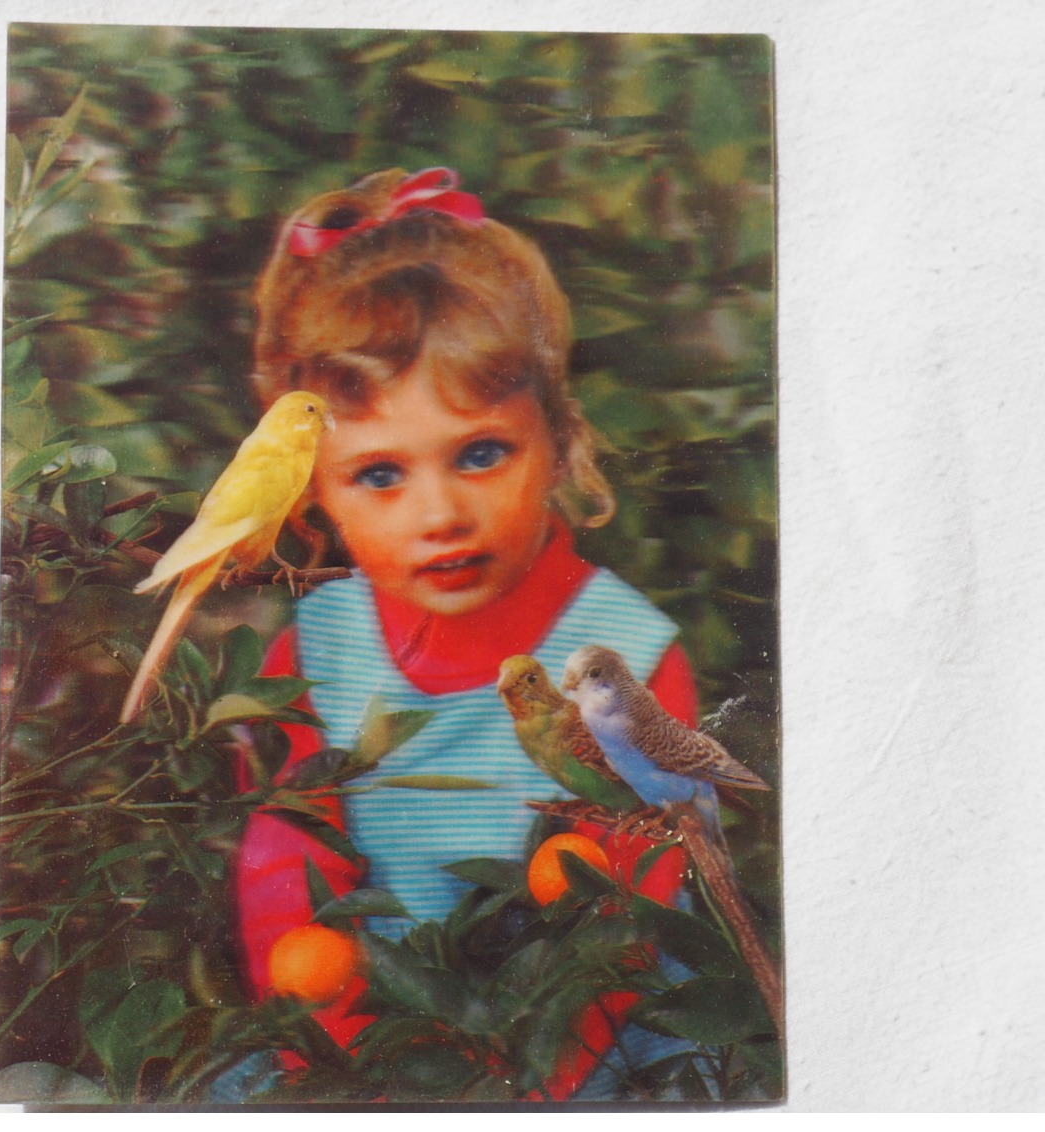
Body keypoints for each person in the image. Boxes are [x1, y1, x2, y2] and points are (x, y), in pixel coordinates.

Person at [230, 168, 701, 1097]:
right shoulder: (316, 657)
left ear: (561, 443)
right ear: (312, 491)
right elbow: (289, 880)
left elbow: (628, 919)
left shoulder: (624, 659)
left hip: (579, 1048)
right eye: (378, 476)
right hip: (367, 1038)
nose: (438, 513)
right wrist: (339, 1070)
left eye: (481, 454)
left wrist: (525, 1094)